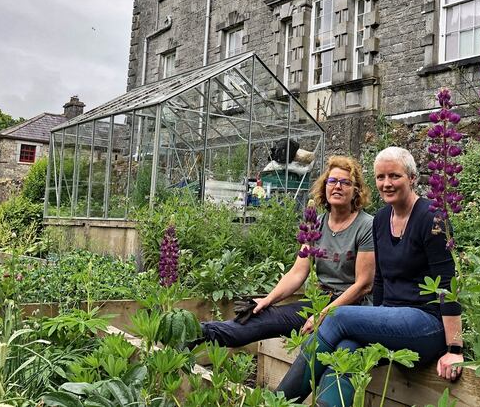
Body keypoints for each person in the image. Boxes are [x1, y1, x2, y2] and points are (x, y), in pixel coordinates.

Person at [277, 147, 463, 406]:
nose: (386, 184)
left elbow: (447, 285)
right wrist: (374, 321)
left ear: (412, 178)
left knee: (336, 316)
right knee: (347, 348)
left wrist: (455, 349)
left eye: (394, 176)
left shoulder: (432, 217)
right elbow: (379, 281)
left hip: (425, 325)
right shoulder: (381, 218)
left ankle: (276, 401)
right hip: (391, 319)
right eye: (380, 177)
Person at [195, 155, 375, 349]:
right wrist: (267, 300)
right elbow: (298, 273)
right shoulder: (316, 224)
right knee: (260, 317)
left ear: (356, 191)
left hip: (349, 308)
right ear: (325, 186)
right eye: (332, 181)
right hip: (319, 301)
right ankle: (198, 333)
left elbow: (363, 285)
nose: (337, 186)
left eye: (345, 182)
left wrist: (323, 315)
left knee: (319, 347)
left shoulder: (365, 225)